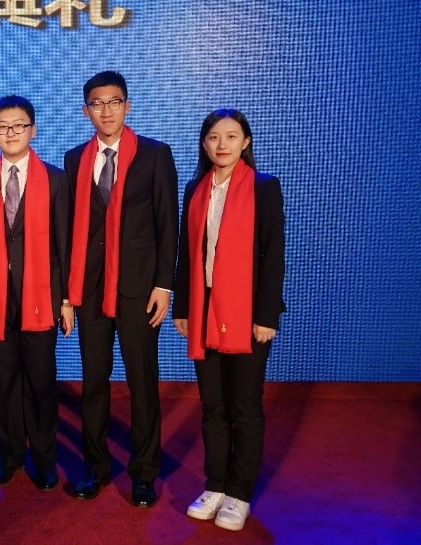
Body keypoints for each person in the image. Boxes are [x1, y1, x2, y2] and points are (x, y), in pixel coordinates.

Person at [64, 71, 178, 507]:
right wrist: (67, 294)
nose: (106, 110)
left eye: (114, 102)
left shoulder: (155, 154)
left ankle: (144, 474)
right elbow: (71, 230)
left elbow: (168, 223)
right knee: (93, 382)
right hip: (90, 288)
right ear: (86, 111)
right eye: (97, 103)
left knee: (142, 382)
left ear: (127, 106)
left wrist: (164, 284)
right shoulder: (74, 159)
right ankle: (95, 469)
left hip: (138, 287)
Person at [172, 109, 285, 531]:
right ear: (204, 144)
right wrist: (183, 308)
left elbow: (273, 256)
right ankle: (215, 485)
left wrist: (266, 315)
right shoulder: (195, 189)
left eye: (232, 136)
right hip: (203, 309)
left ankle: (239, 493)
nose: (222, 144)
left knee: (245, 406)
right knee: (213, 405)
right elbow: (187, 254)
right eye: (214, 137)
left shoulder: (263, 187)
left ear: (245, 142)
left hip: (247, 314)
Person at [0, 95, 73, 490]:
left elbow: (64, 245)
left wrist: (65, 300)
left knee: (41, 383)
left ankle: (45, 460)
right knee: (4, 384)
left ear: (33, 130)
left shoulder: (56, 180)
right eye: (3, 127)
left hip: (41, 298)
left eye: (18, 126)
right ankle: (10, 455)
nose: (11, 133)